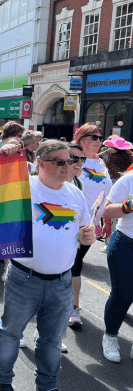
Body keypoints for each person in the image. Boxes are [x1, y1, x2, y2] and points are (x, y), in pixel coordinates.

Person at [0, 140, 95, 391]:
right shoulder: (23, 188)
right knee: (10, 333)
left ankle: (47, 385)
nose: (67, 165)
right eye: (59, 161)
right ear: (41, 164)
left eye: (69, 160)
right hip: (23, 278)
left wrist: (85, 236)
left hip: (61, 282)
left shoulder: (76, 194)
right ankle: (2, 382)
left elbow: (81, 230)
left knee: (51, 340)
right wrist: (6, 152)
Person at [69, 123, 112, 328]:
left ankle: (71, 307)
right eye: (93, 137)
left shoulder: (101, 165)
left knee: (75, 266)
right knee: (71, 267)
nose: (98, 141)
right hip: (67, 225)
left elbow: (106, 197)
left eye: (99, 137)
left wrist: (106, 221)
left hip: (90, 227)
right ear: (80, 139)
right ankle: (71, 308)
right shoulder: (72, 160)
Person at [102, 173, 133, 362]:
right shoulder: (129, 179)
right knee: (123, 295)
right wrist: (130, 205)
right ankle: (110, 336)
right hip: (126, 244)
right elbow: (108, 210)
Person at [99, 137, 133, 252]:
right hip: (119, 182)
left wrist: (107, 152)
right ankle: (108, 240)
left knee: (111, 214)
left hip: (116, 182)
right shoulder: (128, 155)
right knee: (116, 214)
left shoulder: (111, 155)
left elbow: (97, 157)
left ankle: (108, 242)